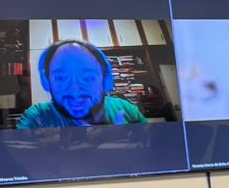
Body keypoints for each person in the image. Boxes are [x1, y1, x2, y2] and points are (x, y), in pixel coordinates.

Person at [16, 40, 147, 128]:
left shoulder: (126, 110)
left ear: (105, 80)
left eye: (88, 78)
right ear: (47, 82)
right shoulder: (37, 118)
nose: (75, 91)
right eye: (60, 78)